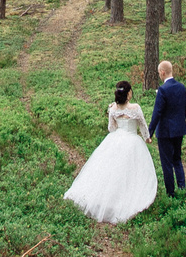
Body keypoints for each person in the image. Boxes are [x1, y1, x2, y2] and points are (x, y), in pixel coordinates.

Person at [62, 81, 158, 224]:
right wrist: (147, 138)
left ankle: (108, 198)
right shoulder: (135, 108)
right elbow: (143, 125)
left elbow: (111, 128)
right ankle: (126, 198)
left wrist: (114, 115)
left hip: (116, 139)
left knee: (110, 169)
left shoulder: (113, 109)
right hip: (132, 140)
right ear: (129, 93)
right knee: (131, 170)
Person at [147, 59, 186, 196]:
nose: (159, 75)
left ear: (162, 72)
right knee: (177, 159)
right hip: (179, 128)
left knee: (166, 163)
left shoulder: (162, 90)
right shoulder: (182, 87)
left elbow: (157, 112)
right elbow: (184, 108)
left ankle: (171, 192)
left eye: (159, 73)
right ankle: (182, 187)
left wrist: (149, 132)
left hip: (165, 131)